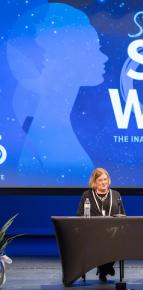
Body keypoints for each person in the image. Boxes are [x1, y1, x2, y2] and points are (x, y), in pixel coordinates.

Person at [7, 3, 108, 184]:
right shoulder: (45, 139)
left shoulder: (51, 129)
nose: (104, 57)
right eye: (94, 48)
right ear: (67, 58)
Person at [76, 167, 126, 282]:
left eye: (105, 179)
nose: (104, 182)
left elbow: (122, 214)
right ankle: (106, 268)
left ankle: (104, 268)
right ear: (94, 182)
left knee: (116, 238)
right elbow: (79, 215)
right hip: (93, 232)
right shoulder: (87, 195)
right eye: (100, 180)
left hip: (112, 232)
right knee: (101, 239)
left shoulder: (116, 194)